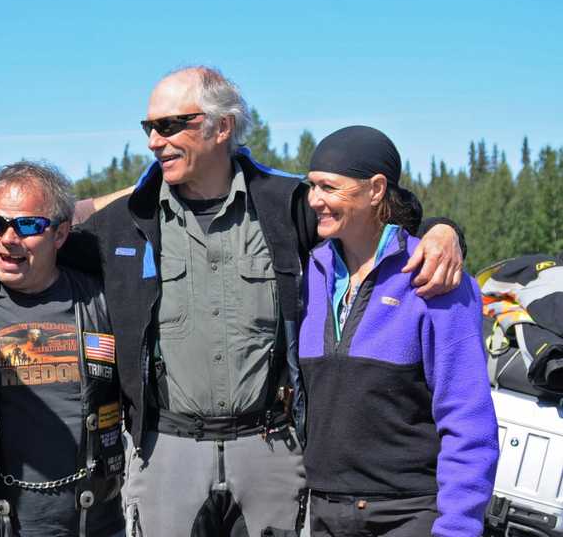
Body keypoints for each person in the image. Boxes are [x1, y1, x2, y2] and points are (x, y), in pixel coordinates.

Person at [72, 66, 466, 536]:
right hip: (167, 450)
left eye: (171, 125)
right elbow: (39, 237)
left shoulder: (288, 203)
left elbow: (383, 217)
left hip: (269, 447)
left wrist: (445, 232)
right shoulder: (124, 222)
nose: (155, 141)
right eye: (149, 128)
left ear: (223, 127)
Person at [299, 126, 498, 537]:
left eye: (329, 187)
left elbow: (467, 418)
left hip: (410, 515)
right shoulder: (310, 273)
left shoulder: (437, 278)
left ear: (375, 189)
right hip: (324, 513)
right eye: (311, 186)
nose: (314, 200)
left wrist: (459, 526)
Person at [0, 161, 125, 537]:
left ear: (61, 234)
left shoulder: (101, 299)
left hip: (93, 521)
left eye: (28, 226)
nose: (8, 239)